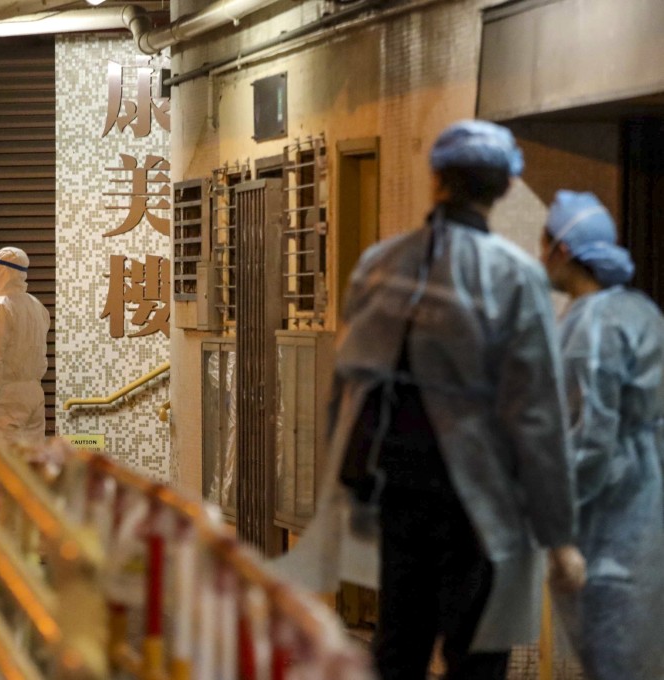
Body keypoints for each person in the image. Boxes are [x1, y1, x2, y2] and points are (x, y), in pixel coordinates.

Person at [273, 120, 585, 680]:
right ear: (506, 188)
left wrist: (339, 478)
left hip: (399, 493)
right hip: (484, 507)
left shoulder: (381, 265)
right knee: (477, 656)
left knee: (398, 647)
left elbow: (346, 384)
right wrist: (559, 534)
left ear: (436, 179)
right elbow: (537, 413)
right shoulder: (515, 278)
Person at [540, 190, 664, 680]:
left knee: (612, 653)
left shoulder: (590, 329)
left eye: (544, 243)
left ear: (563, 250)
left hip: (609, 520)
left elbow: (591, 440)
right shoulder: (640, 310)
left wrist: (557, 527)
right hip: (647, 509)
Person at [0, 247, 50, 448]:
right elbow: (42, 358)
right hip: (34, 393)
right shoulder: (37, 306)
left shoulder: (0, 306)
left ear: (4, 272)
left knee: (5, 468)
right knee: (33, 466)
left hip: (7, 398)